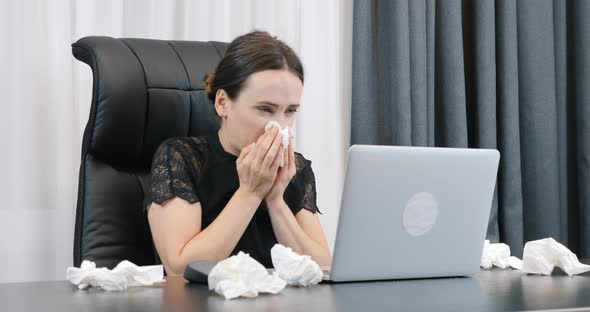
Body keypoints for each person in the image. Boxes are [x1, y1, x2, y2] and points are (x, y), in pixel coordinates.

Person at [145, 31, 332, 276]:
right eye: (265, 109)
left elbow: (323, 269)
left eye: (290, 111)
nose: (280, 126)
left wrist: (275, 201)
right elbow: (181, 269)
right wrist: (251, 192)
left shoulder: (295, 168)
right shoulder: (181, 157)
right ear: (222, 103)